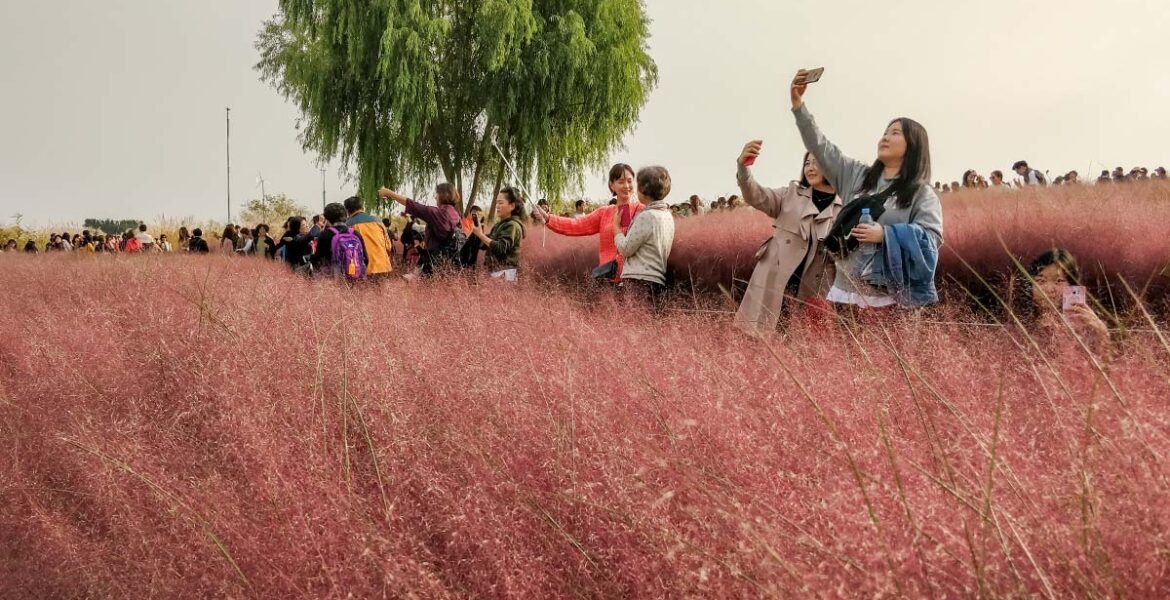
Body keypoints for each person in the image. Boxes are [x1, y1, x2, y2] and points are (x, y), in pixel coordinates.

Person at [791, 68, 943, 309]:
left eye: (895, 133)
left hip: (890, 302)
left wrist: (886, 235)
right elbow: (820, 147)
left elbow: (932, 240)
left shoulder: (922, 194)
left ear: (913, 145)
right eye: (884, 132)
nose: (885, 137)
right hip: (842, 296)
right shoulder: (857, 176)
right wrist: (799, 105)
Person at [734, 147, 842, 334]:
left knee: (801, 346)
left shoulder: (845, 207)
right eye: (807, 163)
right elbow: (756, 195)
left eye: (816, 162)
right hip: (775, 281)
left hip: (813, 290)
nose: (810, 167)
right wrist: (743, 168)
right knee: (763, 339)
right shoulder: (790, 194)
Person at [539, 164, 646, 281]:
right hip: (607, 278)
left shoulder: (643, 210)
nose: (626, 186)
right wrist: (549, 219)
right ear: (612, 185)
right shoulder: (604, 213)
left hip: (634, 281)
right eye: (621, 182)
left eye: (630, 181)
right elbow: (576, 225)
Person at [1027, 249, 1110, 356]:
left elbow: (1105, 367)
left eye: (1059, 281)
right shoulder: (1018, 327)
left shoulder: (1087, 327)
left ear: (1073, 286)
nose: (1049, 289)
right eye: (1041, 281)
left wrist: (1102, 334)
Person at [614, 166, 676, 306]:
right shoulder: (668, 216)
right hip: (657, 281)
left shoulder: (647, 216)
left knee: (632, 326)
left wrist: (617, 229)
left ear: (644, 188)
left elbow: (625, 249)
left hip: (638, 282)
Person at [378, 184, 463, 275]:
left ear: (443, 195)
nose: (435, 197)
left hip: (434, 265)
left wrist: (389, 193)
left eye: (437, 194)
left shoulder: (438, 214)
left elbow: (413, 205)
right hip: (449, 264)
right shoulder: (456, 215)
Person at [469, 187, 526, 282]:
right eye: (496, 203)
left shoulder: (513, 225)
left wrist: (480, 235)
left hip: (505, 274)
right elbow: (488, 244)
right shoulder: (500, 224)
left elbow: (500, 248)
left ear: (512, 206)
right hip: (497, 272)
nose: (497, 206)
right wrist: (479, 233)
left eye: (501, 203)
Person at [334, 195, 393, 279]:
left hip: (361, 271)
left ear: (347, 210)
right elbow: (388, 246)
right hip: (382, 267)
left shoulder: (347, 226)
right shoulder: (378, 221)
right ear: (362, 207)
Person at [312, 202, 367, 278]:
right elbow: (366, 259)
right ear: (345, 215)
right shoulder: (356, 234)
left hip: (333, 281)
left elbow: (318, 260)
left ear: (327, 219)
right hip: (355, 279)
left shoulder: (325, 235)